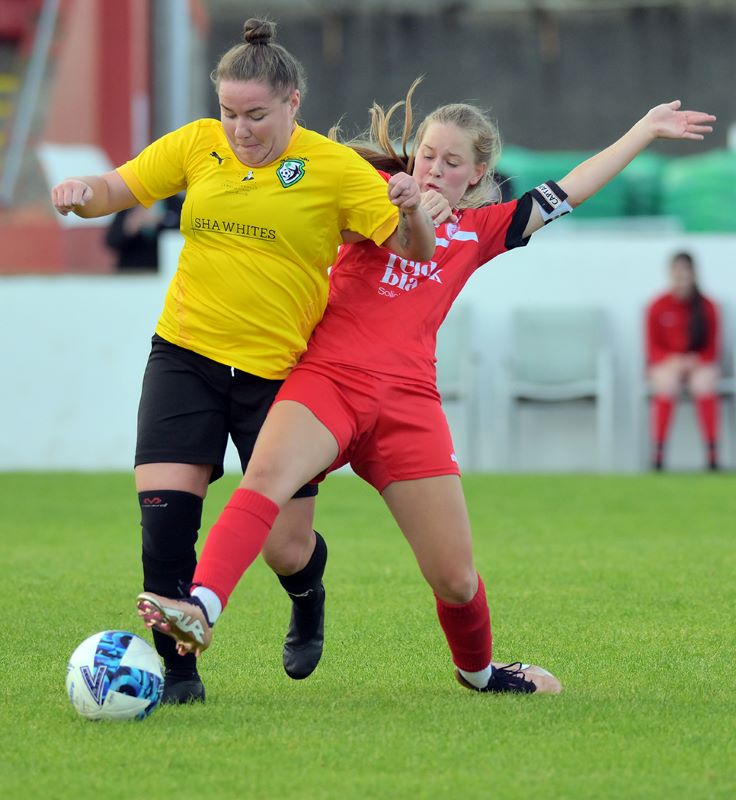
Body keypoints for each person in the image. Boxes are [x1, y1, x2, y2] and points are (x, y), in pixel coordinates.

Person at [136, 81, 715, 695]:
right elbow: (300, 202)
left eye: (452, 161)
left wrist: (645, 130)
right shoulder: (370, 194)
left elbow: (571, 188)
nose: (434, 169)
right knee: (265, 485)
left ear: (477, 174)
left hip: (407, 405)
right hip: (325, 381)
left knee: (456, 579)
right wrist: (402, 205)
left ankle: (481, 674)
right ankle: (200, 607)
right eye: (427, 155)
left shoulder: (484, 229)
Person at [51, 19, 435, 705]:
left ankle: (308, 592)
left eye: (255, 115)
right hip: (185, 355)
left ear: (293, 103)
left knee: (283, 546)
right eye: (228, 112)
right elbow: (122, 188)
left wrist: (410, 210)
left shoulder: (335, 169)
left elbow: (413, 251)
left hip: (282, 376)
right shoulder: (199, 146)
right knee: (166, 521)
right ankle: (179, 676)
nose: (239, 129)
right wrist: (85, 192)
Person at [646, 252, 720, 470]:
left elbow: (713, 348)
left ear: (693, 273)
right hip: (668, 364)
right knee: (667, 384)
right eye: (677, 271)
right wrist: (672, 361)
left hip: (699, 364)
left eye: (685, 271)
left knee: (703, 384)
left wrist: (695, 360)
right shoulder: (658, 306)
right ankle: (658, 453)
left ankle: (712, 454)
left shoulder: (708, 306)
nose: (681, 277)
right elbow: (652, 349)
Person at [105, 195, 183, 271]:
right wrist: (131, 226)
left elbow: (185, 234)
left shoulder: (176, 203)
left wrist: (161, 221)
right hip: (132, 272)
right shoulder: (130, 203)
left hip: (167, 271)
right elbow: (111, 241)